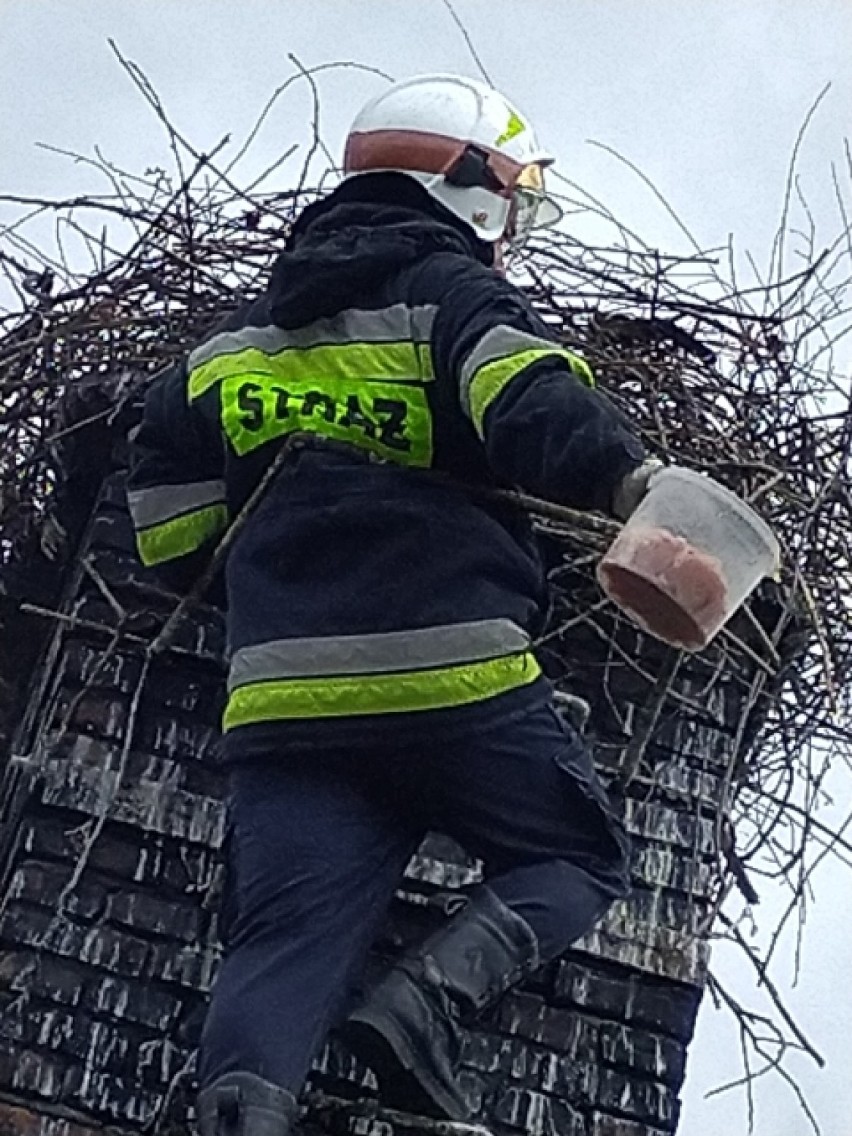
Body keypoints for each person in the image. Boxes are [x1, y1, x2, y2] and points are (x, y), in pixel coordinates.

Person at [127, 74, 657, 1136]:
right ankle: (420, 1007)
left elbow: (163, 505)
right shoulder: (447, 295)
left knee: (279, 941)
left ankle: (242, 1113)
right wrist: (639, 489)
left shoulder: (232, 346)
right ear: (466, 194)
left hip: (282, 695)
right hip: (451, 667)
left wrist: (234, 570)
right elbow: (528, 401)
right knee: (577, 854)